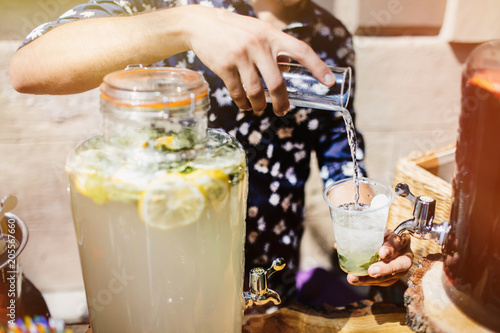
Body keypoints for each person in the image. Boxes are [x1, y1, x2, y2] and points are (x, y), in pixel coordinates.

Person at [9, 0, 413, 306]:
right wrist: (186, 23)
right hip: (163, 284)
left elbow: (342, 159)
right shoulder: (173, 7)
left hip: (269, 289)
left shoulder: (331, 36)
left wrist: (370, 235)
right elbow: (29, 67)